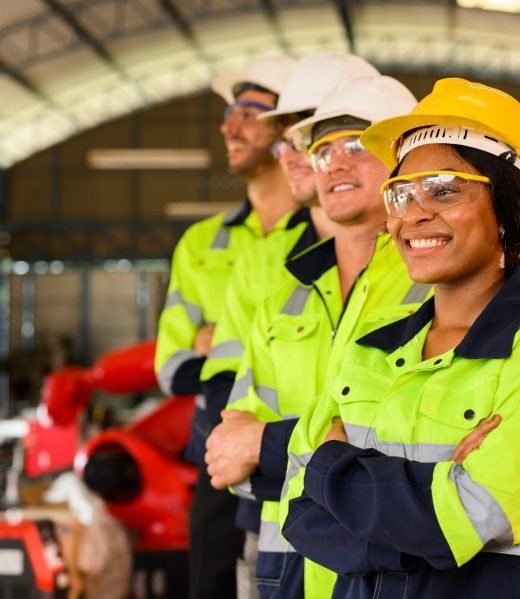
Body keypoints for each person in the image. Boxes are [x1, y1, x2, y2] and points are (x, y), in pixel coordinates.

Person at [281, 77, 520, 598]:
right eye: (402, 193)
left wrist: (330, 467)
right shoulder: (369, 347)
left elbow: (470, 515)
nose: (414, 214)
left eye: (445, 190)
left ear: (506, 207)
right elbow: (298, 513)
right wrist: (431, 508)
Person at [205, 74, 429, 598]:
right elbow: (229, 453)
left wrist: (269, 444)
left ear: (404, 162)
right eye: (322, 150)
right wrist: (291, 447)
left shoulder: (433, 283)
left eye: (357, 143)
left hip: (391, 561)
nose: (336, 163)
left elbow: (419, 447)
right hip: (287, 555)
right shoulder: (289, 289)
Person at [154, 54, 297, 599]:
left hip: (296, 442)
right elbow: (172, 364)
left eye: (249, 110)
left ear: (290, 129)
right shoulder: (200, 244)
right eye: (228, 112)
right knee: (213, 578)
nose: (228, 125)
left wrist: (220, 343)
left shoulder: (333, 239)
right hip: (216, 442)